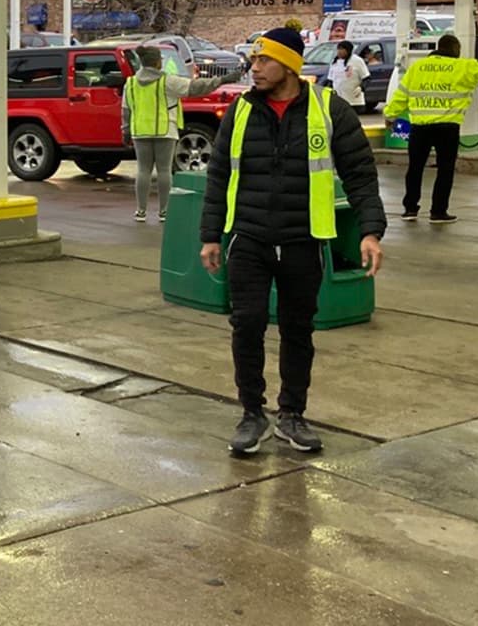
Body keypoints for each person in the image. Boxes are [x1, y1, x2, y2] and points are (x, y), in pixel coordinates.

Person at [200, 26, 386, 456]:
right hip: (248, 238)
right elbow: (218, 175)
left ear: (289, 65)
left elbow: (360, 175)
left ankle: (292, 415)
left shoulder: (329, 109)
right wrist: (210, 235)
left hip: (304, 240)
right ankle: (252, 413)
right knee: (247, 325)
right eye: (254, 59)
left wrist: (371, 231)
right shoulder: (240, 111)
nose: (255, 68)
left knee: (298, 330)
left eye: (264, 60)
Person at [384, 34, 478, 224]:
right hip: (447, 128)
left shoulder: (417, 68)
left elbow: (401, 95)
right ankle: (438, 212)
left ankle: (410, 209)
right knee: (445, 170)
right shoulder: (463, 68)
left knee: (415, 169)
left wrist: (390, 115)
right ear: (456, 50)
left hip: (420, 128)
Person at [122, 45, 240, 221]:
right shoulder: (167, 81)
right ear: (156, 62)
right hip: (165, 131)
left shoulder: (130, 83)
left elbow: (126, 109)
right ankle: (164, 211)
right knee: (164, 171)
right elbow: (196, 87)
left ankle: (141, 211)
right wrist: (222, 80)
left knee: (143, 171)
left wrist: (125, 130)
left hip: (140, 131)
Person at [328, 40, 370, 110]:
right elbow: (330, 80)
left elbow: (366, 78)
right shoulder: (334, 62)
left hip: (354, 100)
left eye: (342, 49)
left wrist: (361, 88)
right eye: (338, 49)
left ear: (348, 50)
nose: (339, 51)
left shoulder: (357, 61)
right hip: (339, 99)